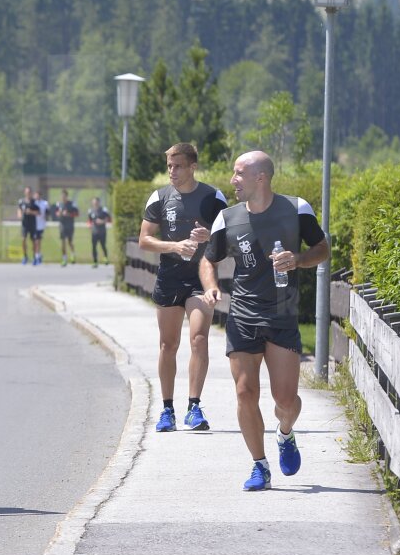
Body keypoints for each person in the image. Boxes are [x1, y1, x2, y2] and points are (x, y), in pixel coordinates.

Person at [200, 151, 329, 491]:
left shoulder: (296, 209)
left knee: (286, 401)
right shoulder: (227, 219)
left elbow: (322, 248)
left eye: (239, 173)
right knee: (245, 392)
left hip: (282, 314)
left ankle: (285, 433)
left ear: (261, 177)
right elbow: (207, 260)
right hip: (242, 313)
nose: (233, 180)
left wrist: (299, 259)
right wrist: (212, 288)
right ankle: (259, 466)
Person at [139, 143, 228, 433]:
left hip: (201, 279)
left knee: (199, 339)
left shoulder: (213, 197)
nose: (172, 172)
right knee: (168, 345)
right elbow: (145, 240)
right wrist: (174, 245)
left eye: (177, 166)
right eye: (169, 166)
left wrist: (210, 237)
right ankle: (167, 409)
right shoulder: (160, 197)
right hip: (169, 278)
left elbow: (231, 241)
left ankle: (194, 406)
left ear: (192, 167)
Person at [56, 189, 79, 266]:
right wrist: (60, 213)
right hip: (62, 225)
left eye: (64, 196)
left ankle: (72, 254)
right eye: (62, 196)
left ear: (67, 196)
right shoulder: (59, 204)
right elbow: (56, 213)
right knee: (63, 242)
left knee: (70, 242)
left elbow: (77, 214)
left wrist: (68, 214)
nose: (63, 197)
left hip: (70, 225)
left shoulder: (72, 204)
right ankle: (64, 258)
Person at [86, 197, 111, 267]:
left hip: (102, 231)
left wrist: (102, 221)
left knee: (103, 245)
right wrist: (89, 225)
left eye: (96, 202)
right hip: (94, 231)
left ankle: (105, 258)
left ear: (99, 202)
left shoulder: (103, 210)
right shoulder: (91, 211)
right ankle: (95, 261)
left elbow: (108, 219)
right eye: (94, 203)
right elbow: (89, 220)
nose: (95, 204)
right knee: (94, 246)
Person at [28, 190, 49, 265]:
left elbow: (47, 213)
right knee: (34, 241)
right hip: (33, 224)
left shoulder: (45, 203)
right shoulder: (33, 203)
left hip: (40, 224)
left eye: (38, 195)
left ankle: (37, 256)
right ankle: (37, 255)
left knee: (38, 241)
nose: (37, 197)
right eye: (36, 195)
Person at [17, 186, 35, 264]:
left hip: (32, 223)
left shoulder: (34, 202)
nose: (28, 194)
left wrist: (31, 212)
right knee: (23, 239)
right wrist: (20, 215)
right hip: (25, 224)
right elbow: (19, 210)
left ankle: (34, 256)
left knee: (33, 241)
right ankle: (25, 256)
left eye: (29, 192)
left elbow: (38, 212)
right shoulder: (21, 201)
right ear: (25, 193)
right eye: (27, 192)